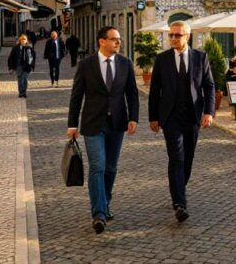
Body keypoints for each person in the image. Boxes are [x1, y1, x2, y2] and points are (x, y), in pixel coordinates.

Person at [67, 26, 139, 234]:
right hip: (93, 124)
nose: (118, 42)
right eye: (114, 39)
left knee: (110, 168)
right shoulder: (86, 65)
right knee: (97, 166)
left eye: (119, 39)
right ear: (101, 41)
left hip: (117, 123)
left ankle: (105, 202)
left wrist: (133, 117)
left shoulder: (125, 64)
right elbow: (76, 96)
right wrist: (72, 124)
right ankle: (98, 213)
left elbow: (132, 94)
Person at [148, 21, 215, 223]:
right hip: (170, 118)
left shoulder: (200, 58)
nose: (173, 39)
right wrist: (153, 117)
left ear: (188, 36)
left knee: (188, 158)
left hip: (193, 116)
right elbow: (154, 91)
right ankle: (179, 203)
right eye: (171, 35)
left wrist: (208, 112)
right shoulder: (162, 60)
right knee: (176, 157)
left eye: (178, 35)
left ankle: (179, 187)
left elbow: (209, 86)